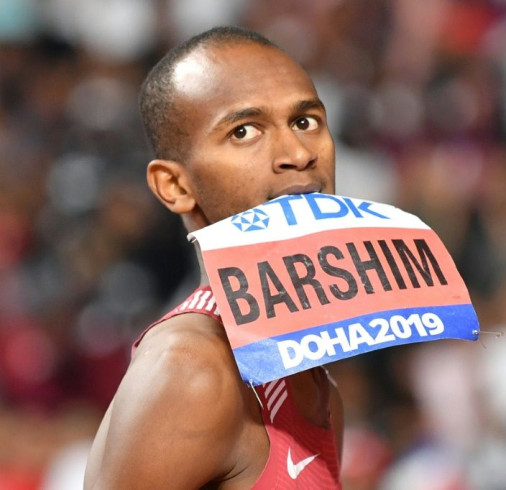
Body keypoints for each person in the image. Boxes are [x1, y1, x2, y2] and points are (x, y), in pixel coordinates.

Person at [84, 26, 344, 489]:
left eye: (305, 121)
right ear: (176, 187)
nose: (299, 154)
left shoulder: (312, 375)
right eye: (245, 131)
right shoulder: (192, 369)